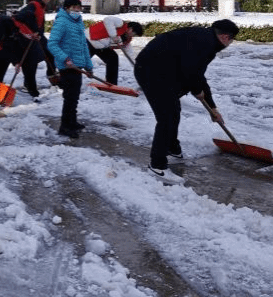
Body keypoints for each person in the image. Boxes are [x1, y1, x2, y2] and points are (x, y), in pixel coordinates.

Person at [134, 19, 239, 184]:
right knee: (167, 117)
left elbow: (198, 74)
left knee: (173, 110)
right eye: (231, 41)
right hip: (151, 71)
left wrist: (212, 107)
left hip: (164, 70)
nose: (229, 44)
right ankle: (157, 166)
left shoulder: (206, 39)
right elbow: (191, 71)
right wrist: (197, 90)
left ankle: (172, 149)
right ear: (225, 37)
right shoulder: (205, 44)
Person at [47, 0, 94, 139]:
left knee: (74, 97)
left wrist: (89, 66)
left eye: (79, 8)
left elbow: (84, 46)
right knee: (69, 97)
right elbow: (52, 44)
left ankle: (72, 122)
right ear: (67, 8)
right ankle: (65, 126)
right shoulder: (62, 22)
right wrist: (65, 58)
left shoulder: (78, 22)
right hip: (67, 66)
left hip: (77, 66)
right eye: (74, 7)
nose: (77, 10)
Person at [0, 10, 42, 103]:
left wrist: (16, 63)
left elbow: (13, 47)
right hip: (5, 46)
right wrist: (16, 62)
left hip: (26, 48)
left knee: (29, 71)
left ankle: (34, 93)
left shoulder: (18, 29)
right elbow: (5, 44)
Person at [85, 16, 144, 84]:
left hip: (101, 47)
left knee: (113, 58)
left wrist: (136, 66)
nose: (132, 36)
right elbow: (108, 19)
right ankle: (74, 80)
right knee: (80, 61)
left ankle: (111, 83)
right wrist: (114, 35)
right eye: (134, 34)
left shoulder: (126, 39)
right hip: (88, 40)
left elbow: (130, 54)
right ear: (130, 29)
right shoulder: (120, 23)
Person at [18, 0, 57, 82]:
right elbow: (25, 16)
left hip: (39, 36)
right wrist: (34, 31)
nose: (50, 0)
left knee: (51, 53)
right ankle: (29, 83)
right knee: (32, 60)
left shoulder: (41, 5)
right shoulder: (34, 4)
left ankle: (52, 75)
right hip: (31, 36)